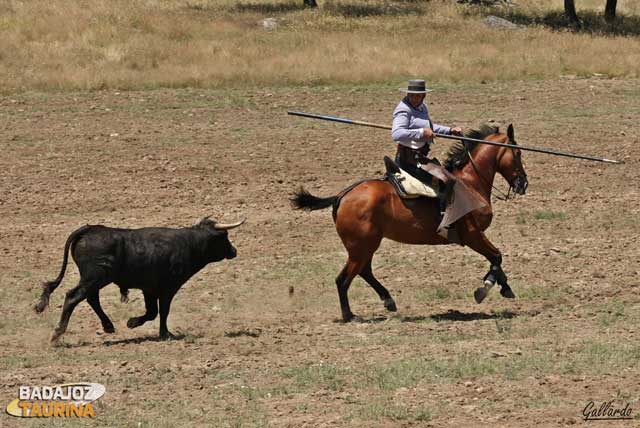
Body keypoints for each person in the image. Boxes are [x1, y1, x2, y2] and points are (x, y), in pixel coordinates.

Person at [391, 79, 462, 210]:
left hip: (419, 157)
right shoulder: (403, 110)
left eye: (417, 96)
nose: (414, 98)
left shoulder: (422, 107)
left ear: (424, 95)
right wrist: (421, 132)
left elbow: (429, 127)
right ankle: (441, 218)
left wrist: (449, 130)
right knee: (443, 181)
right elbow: (396, 134)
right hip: (408, 160)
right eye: (411, 95)